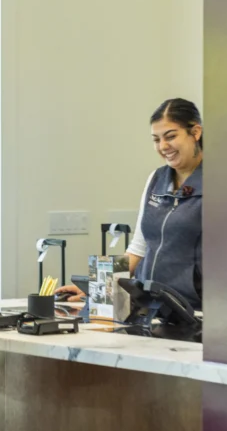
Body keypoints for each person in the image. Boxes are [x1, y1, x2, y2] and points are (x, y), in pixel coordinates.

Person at [58, 98, 203, 309]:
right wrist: (95, 286)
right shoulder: (156, 179)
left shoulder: (221, 181)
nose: (163, 146)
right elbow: (138, 247)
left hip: (195, 309)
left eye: (171, 136)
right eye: (156, 139)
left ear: (195, 132)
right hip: (149, 304)